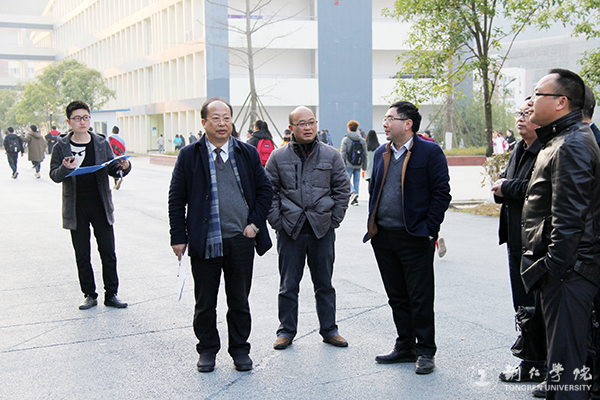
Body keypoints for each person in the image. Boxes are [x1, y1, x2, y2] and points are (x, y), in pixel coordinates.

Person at [168, 98, 273, 373]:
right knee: (205, 302)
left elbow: (265, 190)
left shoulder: (246, 153)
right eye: (215, 118)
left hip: (240, 239)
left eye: (226, 118)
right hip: (205, 240)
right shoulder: (189, 155)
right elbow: (176, 198)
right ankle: (207, 350)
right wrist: (178, 236)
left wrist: (254, 225)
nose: (222, 123)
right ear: (204, 122)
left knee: (239, 300)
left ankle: (240, 349)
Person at [521, 69, 600, 399]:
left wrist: (555, 269)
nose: (531, 101)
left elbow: (569, 219)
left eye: (538, 94)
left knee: (566, 371)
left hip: (568, 273)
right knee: (564, 365)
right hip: (566, 270)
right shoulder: (561, 140)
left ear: (561, 102)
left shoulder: (572, 144)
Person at [364, 101, 451, 375]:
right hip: (384, 237)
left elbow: (441, 193)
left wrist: (429, 229)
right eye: (385, 118)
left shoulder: (429, 152)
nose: (385, 123)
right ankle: (405, 346)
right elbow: (374, 190)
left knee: (420, 297)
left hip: (415, 236)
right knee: (397, 296)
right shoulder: (382, 152)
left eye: (390, 118)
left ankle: (425, 350)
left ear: (408, 124)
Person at [265, 106, 351, 351]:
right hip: (290, 230)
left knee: (324, 284)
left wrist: (334, 220)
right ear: (291, 128)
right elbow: (269, 192)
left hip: (321, 229)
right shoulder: (278, 157)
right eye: (302, 123)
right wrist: (278, 222)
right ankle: (286, 331)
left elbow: (342, 189)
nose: (308, 127)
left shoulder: (331, 155)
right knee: (288, 285)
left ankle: (329, 330)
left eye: (311, 122)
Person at [50, 100, 132, 310]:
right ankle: (89, 294)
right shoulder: (61, 146)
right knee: (82, 253)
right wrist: (65, 168)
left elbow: (112, 167)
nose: (82, 122)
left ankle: (111, 294)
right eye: (77, 118)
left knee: (108, 251)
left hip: (100, 204)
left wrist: (124, 167)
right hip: (76, 206)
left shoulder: (101, 143)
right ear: (69, 121)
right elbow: (54, 175)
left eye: (86, 117)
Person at [492, 99, 545, 383]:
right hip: (515, 238)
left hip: (537, 242)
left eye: (528, 113)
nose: (521, 118)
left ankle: (539, 363)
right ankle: (530, 360)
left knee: (537, 305)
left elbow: (539, 189)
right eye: (519, 113)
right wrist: (503, 186)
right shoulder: (519, 149)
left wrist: (506, 186)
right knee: (522, 304)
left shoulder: (547, 151)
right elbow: (504, 180)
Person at [340, 120, 367, 206]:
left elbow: (343, 153)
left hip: (349, 163)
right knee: (357, 181)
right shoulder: (362, 140)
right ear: (357, 128)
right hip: (358, 164)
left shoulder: (346, 139)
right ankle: (355, 199)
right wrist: (364, 166)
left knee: (347, 179)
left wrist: (341, 164)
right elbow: (365, 154)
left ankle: (352, 192)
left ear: (348, 128)